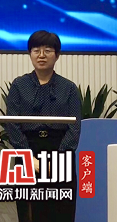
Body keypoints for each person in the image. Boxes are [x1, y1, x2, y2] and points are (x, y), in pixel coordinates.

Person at [6, 30, 81, 222]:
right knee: (29, 211)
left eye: (47, 50)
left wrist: (58, 159)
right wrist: (28, 157)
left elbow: (74, 127)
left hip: (60, 150)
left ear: (57, 55)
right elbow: (12, 124)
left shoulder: (69, 88)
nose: (41, 55)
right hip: (27, 150)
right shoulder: (19, 85)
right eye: (36, 50)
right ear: (29, 53)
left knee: (61, 210)